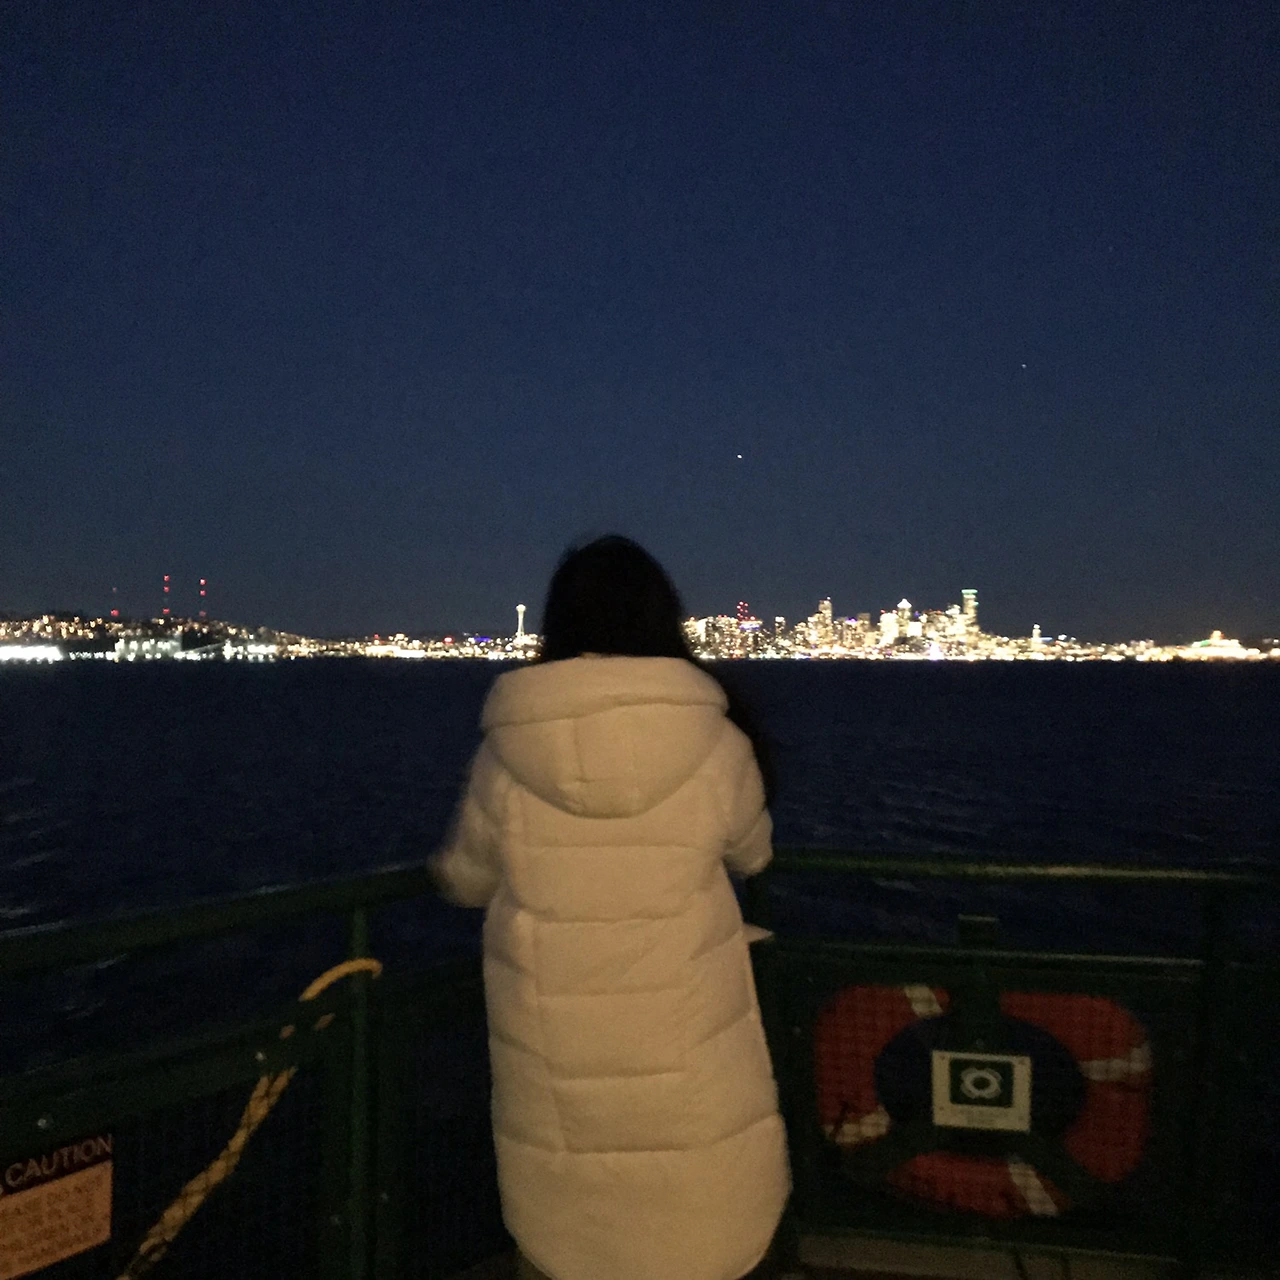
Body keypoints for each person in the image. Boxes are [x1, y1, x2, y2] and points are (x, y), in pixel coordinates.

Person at [432, 535, 790, 1280]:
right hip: (688, 1039)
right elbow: (753, 854)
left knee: (574, 1236)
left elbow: (466, 878)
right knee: (701, 1221)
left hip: (558, 1056)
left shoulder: (509, 753)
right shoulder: (717, 742)